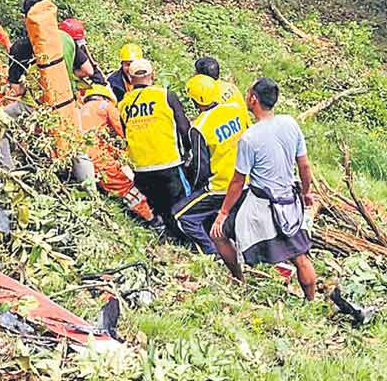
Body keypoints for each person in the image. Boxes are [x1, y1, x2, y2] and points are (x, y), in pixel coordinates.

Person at [210, 77, 318, 300]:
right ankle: (311, 301)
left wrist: (223, 213)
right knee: (300, 256)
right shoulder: (290, 123)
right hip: (288, 200)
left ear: (253, 99)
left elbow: (238, 181)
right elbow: (304, 164)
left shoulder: (250, 138)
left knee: (218, 234)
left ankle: (239, 279)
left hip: (261, 205)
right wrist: (306, 192)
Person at [118, 58, 199, 234]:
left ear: (130, 79)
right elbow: (184, 127)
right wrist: (188, 153)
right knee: (183, 209)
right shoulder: (165, 95)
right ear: (152, 75)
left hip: (140, 169)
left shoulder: (123, 104)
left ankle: (167, 236)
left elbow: (125, 134)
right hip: (168, 163)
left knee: (159, 208)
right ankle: (188, 242)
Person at [171, 74, 249, 254]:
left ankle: (212, 251)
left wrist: (196, 185)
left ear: (196, 101)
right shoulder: (235, 109)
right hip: (245, 180)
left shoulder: (200, 128)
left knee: (181, 216)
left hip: (220, 187)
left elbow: (201, 167)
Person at [77, 84, 158, 226]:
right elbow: (123, 131)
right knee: (125, 186)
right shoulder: (105, 106)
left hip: (82, 158)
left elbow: (102, 140)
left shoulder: (81, 110)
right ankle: (152, 219)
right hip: (99, 158)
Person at [7, 0, 103, 99]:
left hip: (38, 104)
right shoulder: (66, 37)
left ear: (26, 18)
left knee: (3, 113)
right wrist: (67, 74)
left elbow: (17, 89)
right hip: (69, 98)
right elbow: (88, 71)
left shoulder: (19, 47)